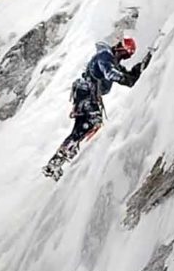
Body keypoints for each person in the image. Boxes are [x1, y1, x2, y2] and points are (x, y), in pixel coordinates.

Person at [42, 36, 152, 180]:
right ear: (120, 48)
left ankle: (55, 164)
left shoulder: (112, 61)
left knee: (81, 129)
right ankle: (64, 154)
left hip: (85, 95)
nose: (124, 58)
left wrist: (140, 67)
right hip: (86, 94)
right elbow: (111, 73)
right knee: (93, 122)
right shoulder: (105, 56)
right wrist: (126, 78)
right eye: (125, 54)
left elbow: (127, 76)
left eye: (127, 56)